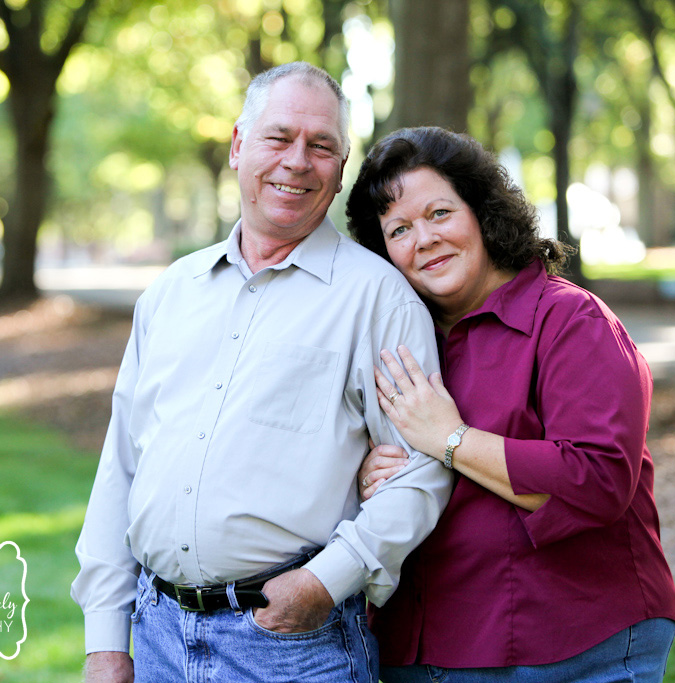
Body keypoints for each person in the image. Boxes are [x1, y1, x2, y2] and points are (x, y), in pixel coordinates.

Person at [71, 64, 454, 683]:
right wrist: (106, 642)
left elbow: (422, 471)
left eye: (321, 145)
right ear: (237, 147)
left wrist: (326, 582)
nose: (297, 161)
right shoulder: (170, 294)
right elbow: (121, 469)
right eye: (278, 138)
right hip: (159, 634)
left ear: (340, 167)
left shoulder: (379, 300)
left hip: (292, 648)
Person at [345, 126, 675, 683]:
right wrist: (363, 473)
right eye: (399, 229)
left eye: (439, 213)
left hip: (569, 644)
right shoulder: (392, 344)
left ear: (482, 211)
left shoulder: (571, 322)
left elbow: (598, 479)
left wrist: (450, 442)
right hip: (416, 648)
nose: (423, 239)